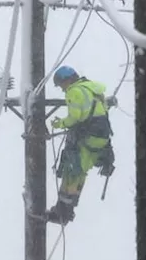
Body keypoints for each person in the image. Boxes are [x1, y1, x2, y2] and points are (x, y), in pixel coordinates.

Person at [45, 65, 114, 224]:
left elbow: (74, 118)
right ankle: (68, 210)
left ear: (67, 80)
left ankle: (62, 212)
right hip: (102, 139)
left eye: (61, 85)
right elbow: (102, 109)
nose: (62, 90)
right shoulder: (93, 89)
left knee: (72, 171)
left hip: (87, 137)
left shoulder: (74, 91)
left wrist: (59, 124)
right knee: (81, 172)